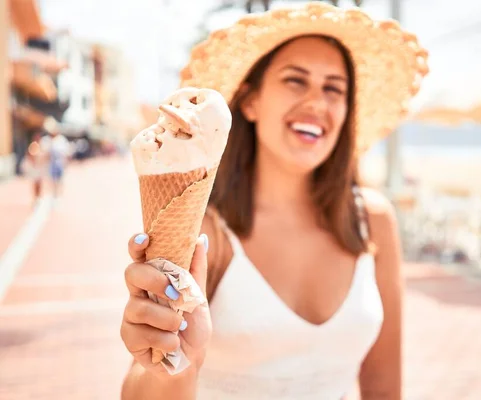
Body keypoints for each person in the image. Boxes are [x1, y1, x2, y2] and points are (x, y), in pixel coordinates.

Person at [120, 3, 428, 399]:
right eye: (296, 81)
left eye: (334, 88)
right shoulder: (208, 235)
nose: (318, 102)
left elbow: (385, 389)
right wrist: (173, 363)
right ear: (250, 102)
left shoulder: (373, 222)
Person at [40, 117, 71, 198]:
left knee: (59, 180)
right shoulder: (46, 140)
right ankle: (54, 194)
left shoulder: (61, 139)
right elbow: (43, 153)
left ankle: (58, 195)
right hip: (50, 164)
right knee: (52, 181)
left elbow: (66, 152)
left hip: (59, 163)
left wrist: (65, 163)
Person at [22, 132, 46, 206]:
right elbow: (30, 155)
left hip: (40, 167)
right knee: (35, 183)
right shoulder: (33, 145)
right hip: (35, 167)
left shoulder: (41, 146)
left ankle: (39, 197)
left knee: (39, 183)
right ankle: (36, 197)